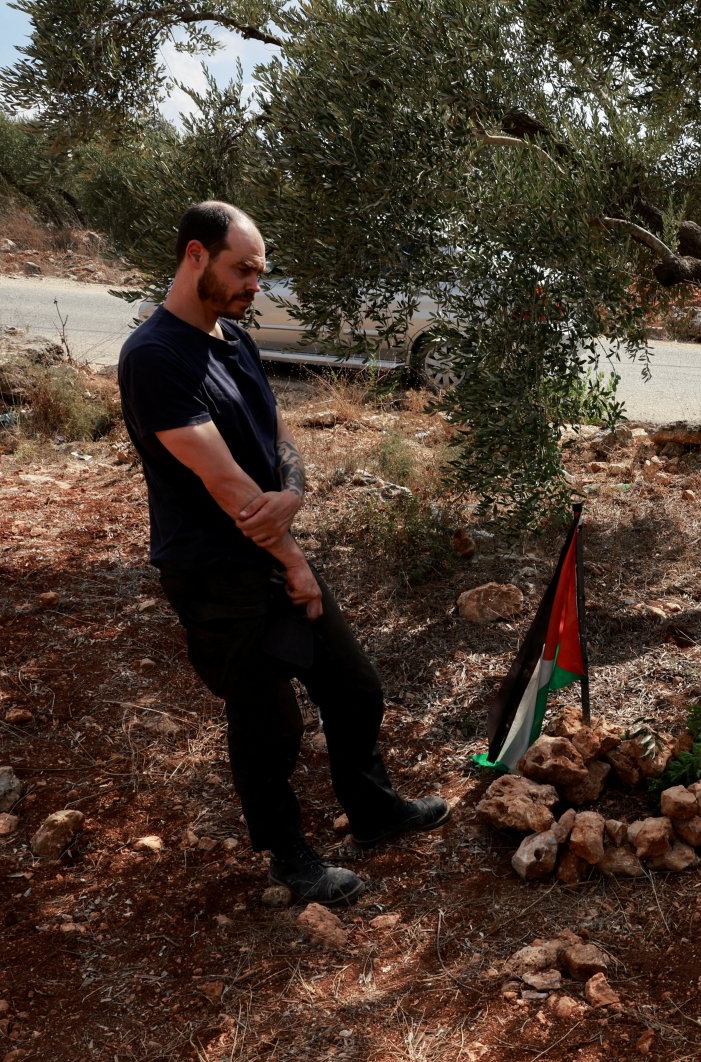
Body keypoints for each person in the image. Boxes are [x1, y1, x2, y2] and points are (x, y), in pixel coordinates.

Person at [119, 201, 449, 906]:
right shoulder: (154, 357)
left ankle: (374, 812)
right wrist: (295, 559)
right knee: (267, 719)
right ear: (195, 256)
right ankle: (290, 858)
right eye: (243, 270)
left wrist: (295, 490)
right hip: (214, 570)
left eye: (259, 274)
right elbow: (229, 486)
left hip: (271, 546)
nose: (253, 287)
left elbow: (278, 437)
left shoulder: (232, 340)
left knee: (354, 686)